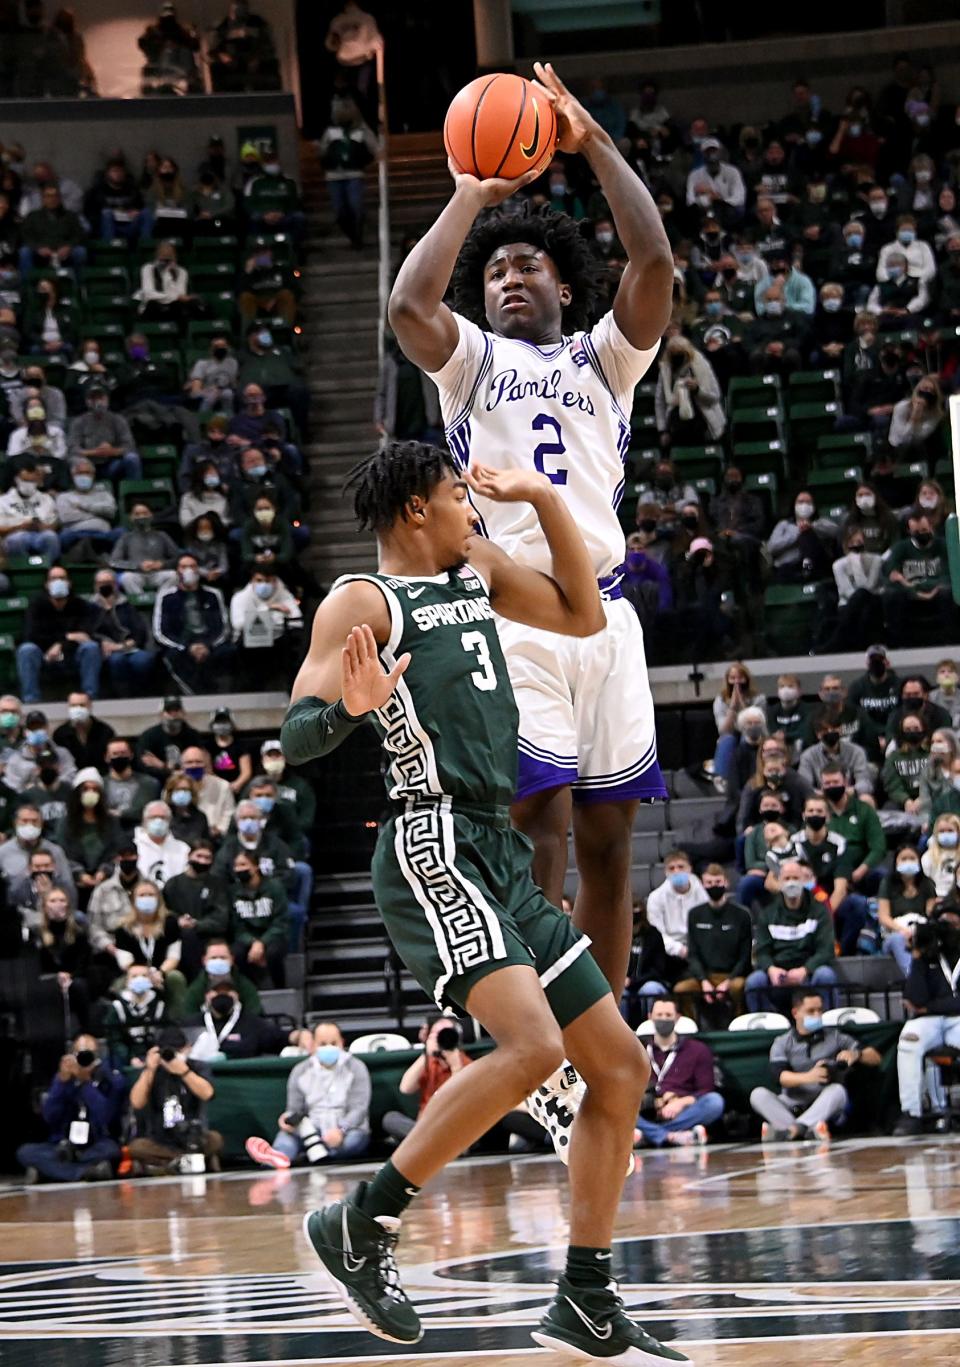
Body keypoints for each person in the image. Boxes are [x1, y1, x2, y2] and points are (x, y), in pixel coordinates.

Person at [280, 438, 686, 1361]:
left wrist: (545, 499)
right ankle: (364, 1221)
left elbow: (586, 614)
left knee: (618, 1069)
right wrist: (351, 705)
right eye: (459, 497)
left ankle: (584, 1294)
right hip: (433, 841)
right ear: (417, 509)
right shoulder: (363, 600)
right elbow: (297, 736)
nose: (473, 510)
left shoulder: (476, 573)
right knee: (537, 1046)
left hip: (497, 847)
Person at [388, 65, 672, 1017]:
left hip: (607, 613)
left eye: (529, 266)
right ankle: (539, 1029)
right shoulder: (472, 364)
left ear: (563, 281)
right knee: (535, 825)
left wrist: (592, 144)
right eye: (498, 269)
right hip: (515, 612)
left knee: (608, 842)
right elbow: (407, 311)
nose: (512, 277)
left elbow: (656, 265)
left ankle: (607, 1041)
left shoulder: (606, 356)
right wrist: (469, 197)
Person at [750, 989, 881, 1141]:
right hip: (792, 1102)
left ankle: (791, 1130)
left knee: (838, 1091)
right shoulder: (783, 1042)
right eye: (810, 1011)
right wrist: (809, 1076)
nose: (817, 1015)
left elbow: (875, 1057)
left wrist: (856, 1055)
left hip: (824, 1100)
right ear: (795, 1013)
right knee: (758, 1094)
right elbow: (780, 1076)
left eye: (820, 1010)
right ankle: (805, 1128)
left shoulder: (835, 1037)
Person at [247, 1022, 372, 1167]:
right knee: (286, 1139)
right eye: (323, 1044)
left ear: (342, 1043)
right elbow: (295, 1109)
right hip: (311, 1130)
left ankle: (314, 1154)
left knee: (353, 1142)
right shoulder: (300, 1071)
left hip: (346, 1130)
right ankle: (276, 1158)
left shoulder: (356, 1067)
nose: (328, 1048)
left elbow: (359, 1108)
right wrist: (287, 1119)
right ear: (312, 1045)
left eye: (333, 1043)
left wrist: (340, 1130)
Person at [15, 1033, 125, 1183]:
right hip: (64, 1145)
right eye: (80, 1054)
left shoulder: (111, 1079)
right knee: (25, 1152)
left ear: (99, 1056)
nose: (84, 1060)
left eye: (89, 1054)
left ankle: (50, 1172)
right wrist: (61, 1083)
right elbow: (50, 1116)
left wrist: (85, 1083)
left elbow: (106, 1116)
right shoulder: (64, 1078)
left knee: (112, 1151)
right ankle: (85, 1172)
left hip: (96, 1144)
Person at [893, 915, 960, 1135]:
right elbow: (915, 1000)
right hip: (929, 1022)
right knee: (908, 1039)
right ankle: (911, 1113)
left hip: (956, 1020)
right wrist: (917, 954)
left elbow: (925, 1005)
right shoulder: (925, 956)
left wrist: (933, 1006)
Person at [746, 859, 838, 1013]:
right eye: (787, 879)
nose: (791, 883)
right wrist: (771, 969)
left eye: (795, 878)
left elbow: (826, 949)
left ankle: (828, 1025)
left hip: (808, 974)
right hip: (778, 975)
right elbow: (762, 951)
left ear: (804, 880)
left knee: (826, 975)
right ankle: (768, 1029)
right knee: (754, 982)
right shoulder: (767, 914)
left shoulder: (820, 911)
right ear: (780, 882)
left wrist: (805, 969)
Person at [128, 1026, 221, 1175]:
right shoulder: (152, 1071)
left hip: (193, 1137)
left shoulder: (196, 1067)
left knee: (215, 1139)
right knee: (137, 1147)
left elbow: (208, 1094)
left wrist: (184, 1072)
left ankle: (170, 1165)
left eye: (178, 1051)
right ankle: (185, 1162)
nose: (173, 1056)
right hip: (162, 1140)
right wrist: (149, 1070)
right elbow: (137, 1103)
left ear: (188, 1049)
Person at [634, 997, 724, 1148]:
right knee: (618, 1110)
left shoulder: (697, 1050)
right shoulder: (639, 1050)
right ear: (650, 1018)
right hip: (647, 1110)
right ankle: (671, 1136)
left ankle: (650, 1135)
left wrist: (681, 1102)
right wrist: (656, 1102)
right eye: (659, 1015)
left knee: (714, 1102)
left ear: (678, 1017)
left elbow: (706, 1089)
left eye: (668, 1015)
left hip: (683, 1110)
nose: (664, 1019)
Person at [673, 866, 751, 1020]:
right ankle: (692, 1029)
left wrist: (728, 982)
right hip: (705, 976)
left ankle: (739, 1024)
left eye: (717, 881)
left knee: (738, 987)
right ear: (702, 884)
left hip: (732, 976)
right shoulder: (695, 914)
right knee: (681, 989)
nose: (714, 886)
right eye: (709, 882)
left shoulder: (741, 914)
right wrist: (703, 981)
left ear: (726, 882)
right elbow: (693, 954)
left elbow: (745, 956)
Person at [381, 1015, 473, 1143]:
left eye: (445, 1034)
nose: (440, 1038)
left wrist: (455, 1066)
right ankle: (432, 1141)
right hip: (425, 1126)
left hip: (453, 1126)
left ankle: (429, 1142)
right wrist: (426, 1053)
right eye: (435, 1034)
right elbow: (405, 1088)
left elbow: (460, 1098)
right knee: (391, 1119)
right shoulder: (428, 1062)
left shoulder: (465, 1063)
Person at [153, 554, 233, 695]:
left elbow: (223, 627)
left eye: (192, 566)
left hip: (209, 642)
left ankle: (221, 696)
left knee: (228, 652)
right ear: (177, 571)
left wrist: (207, 645)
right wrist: (187, 647)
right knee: (173, 657)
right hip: (181, 643)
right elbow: (161, 632)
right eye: (184, 567)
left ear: (199, 570)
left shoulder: (213, 594)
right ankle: (193, 696)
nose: (188, 570)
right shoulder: (166, 597)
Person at [316, 95, 378, 249]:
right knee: (340, 211)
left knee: (356, 207)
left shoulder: (361, 130)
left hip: (354, 174)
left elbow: (375, 148)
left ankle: (358, 237)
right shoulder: (330, 132)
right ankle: (351, 235)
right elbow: (321, 151)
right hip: (334, 176)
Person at [227, 848, 288, 987]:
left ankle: (280, 988)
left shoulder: (274, 887)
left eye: (243, 865)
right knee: (237, 952)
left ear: (255, 866)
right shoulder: (233, 892)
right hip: (247, 938)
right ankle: (251, 990)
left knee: (273, 952)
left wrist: (262, 942)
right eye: (236, 866)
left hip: (273, 936)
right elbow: (236, 925)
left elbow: (280, 921)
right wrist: (253, 942)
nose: (239, 869)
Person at [645, 850, 706, 983]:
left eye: (681, 867)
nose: (676, 871)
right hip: (670, 953)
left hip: (698, 949)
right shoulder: (656, 898)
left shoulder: (701, 891)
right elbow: (657, 934)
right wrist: (679, 949)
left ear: (690, 869)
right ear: (666, 873)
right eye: (671, 868)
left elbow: (706, 923)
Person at [66, 385, 141, 483]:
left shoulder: (117, 419)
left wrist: (111, 451)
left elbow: (130, 446)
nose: (98, 402)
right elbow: (73, 449)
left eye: (100, 398)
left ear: (107, 400)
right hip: (88, 463)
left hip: (112, 463)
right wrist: (96, 452)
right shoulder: (78, 422)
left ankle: (134, 494)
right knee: (77, 461)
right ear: (87, 401)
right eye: (93, 399)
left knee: (132, 458)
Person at [104, 962, 169, 1067]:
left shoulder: (159, 1005)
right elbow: (114, 1039)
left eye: (144, 976)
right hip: (127, 1059)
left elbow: (164, 1035)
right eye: (134, 976)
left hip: (155, 1057)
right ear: (127, 982)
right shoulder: (118, 1006)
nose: (139, 979)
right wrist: (130, 1058)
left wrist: (155, 1055)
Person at [799, 713, 873, 800]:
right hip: (822, 799)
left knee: (866, 798)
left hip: (849, 797)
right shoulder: (808, 756)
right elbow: (804, 786)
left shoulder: (856, 752)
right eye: (825, 729)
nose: (830, 732)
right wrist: (821, 793)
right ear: (818, 734)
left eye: (834, 728)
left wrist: (850, 791)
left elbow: (866, 783)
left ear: (841, 730)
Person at [849, 645, 901, 763]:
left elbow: (900, 713)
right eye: (873, 661)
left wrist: (888, 737)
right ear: (867, 663)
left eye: (880, 660)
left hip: (894, 736)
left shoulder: (899, 685)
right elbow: (854, 715)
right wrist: (875, 737)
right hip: (867, 738)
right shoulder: (857, 687)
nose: (876, 664)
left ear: (887, 663)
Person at [0, 458, 60, 560]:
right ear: (16, 479)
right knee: (17, 539)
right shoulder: (3, 501)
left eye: (32, 481)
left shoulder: (46, 499)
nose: (28, 484)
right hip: (14, 535)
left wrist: (41, 526)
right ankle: (22, 572)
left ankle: (51, 570)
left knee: (51, 537)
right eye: (25, 481)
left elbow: (54, 525)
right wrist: (21, 526)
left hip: (40, 534)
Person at [136, 695, 203, 782]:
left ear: (183, 713)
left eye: (176, 710)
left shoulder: (193, 736)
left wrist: (162, 765)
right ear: (161, 715)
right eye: (169, 711)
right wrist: (174, 771)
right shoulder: (148, 736)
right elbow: (144, 766)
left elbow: (198, 765)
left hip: (189, 781)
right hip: (158, 782)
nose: (173, 715)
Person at [179, 745, 236, 840]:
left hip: (215, 837)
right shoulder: (173, 787)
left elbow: (229, 813)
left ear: (205, 764)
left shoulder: (222, 785)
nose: (194, 765)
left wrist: (219, 829)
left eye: (198, 762)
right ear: (182, 766)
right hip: (182, 835)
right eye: (189, 762)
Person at [134, 800, 189, 886]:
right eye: (153, 817)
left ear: (170, 821)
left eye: (163, 818)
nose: (158, 821)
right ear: (145, 821)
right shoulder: (135, 846)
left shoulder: (182, 848)